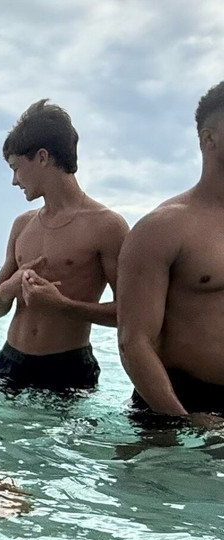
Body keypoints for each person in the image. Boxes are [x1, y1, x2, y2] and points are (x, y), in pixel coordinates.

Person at [0, 100, 129, 393]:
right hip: (9, 361)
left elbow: (131, 315)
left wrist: (63, 306)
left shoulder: (106, 226)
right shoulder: (22, 225)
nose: (14, 181)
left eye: (16, 168)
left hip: (67, 368)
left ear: (42, 157)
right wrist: (11, 286)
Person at [117, 82, 224, 422]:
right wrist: (183, 420)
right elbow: (133, 342)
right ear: (210, 139)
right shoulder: (161, 229)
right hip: (177, 402)